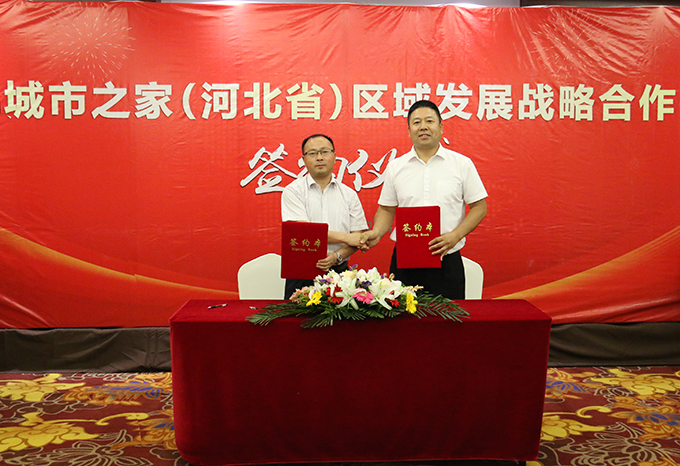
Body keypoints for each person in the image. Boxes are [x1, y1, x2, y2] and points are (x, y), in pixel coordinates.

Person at [361, 100, 488, 299]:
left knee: (448, 316)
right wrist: (376, 232)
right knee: (403, 316)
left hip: (447, 257)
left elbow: (480, 207)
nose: (423, 127)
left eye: (429, 121)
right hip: (405, 259)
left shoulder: (462, 164)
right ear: (409, 130)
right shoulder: (396, 167)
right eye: (416, 122)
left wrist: (455, 235)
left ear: (441, 127)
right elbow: (386, 209)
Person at [281, 133, 368, 299]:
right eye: (312, 153)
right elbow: (304, 232)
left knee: (340, 316)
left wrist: (336, 256)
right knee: (296, 316)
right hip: (302, 272)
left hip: (340, 272)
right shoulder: (293, 191)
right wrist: (347, 238)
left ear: (334, 156)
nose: (319, 157)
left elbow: (357, 237)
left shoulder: (349, 194)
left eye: (325, 152)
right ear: (304, 159)